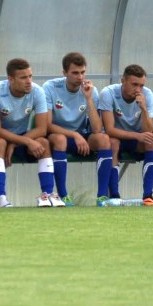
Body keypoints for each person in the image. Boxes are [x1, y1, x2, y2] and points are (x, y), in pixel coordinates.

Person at [0, 58, 59, 207]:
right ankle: (1, 199)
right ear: (10, 79)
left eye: (30, 76)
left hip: (21, 136)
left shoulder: (37, 91)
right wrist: (25, 141)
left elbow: (42, 129)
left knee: (43, 142)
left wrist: (15, 143)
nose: (29, 81)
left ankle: (47, 195)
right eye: (23, 77)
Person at [42, 52, 114, 206]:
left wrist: (88, 98)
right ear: (64, 73)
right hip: (58, 135)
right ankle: (63, 196)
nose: (80, 77)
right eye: (75, 73)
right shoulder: (50, 87)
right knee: (60, 140)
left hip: (82, 137)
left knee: (104, 139)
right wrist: (74, 134)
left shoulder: (90, 90)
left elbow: (96, 129)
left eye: (82, 72)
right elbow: (47, 125)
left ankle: (102, 196)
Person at [99, 64, 153, 205]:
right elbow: (109, 129)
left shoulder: (147, 95)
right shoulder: (108, 93)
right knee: (113, 142)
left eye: (141, 85)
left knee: (152, 142)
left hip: (136, 140)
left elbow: (148, 130)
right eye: (134, 85)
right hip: (116, 138)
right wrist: (137, 136)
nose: (138, 89)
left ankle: (148, 196)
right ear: (123, 81)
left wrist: (144, 109)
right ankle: (114, 195)